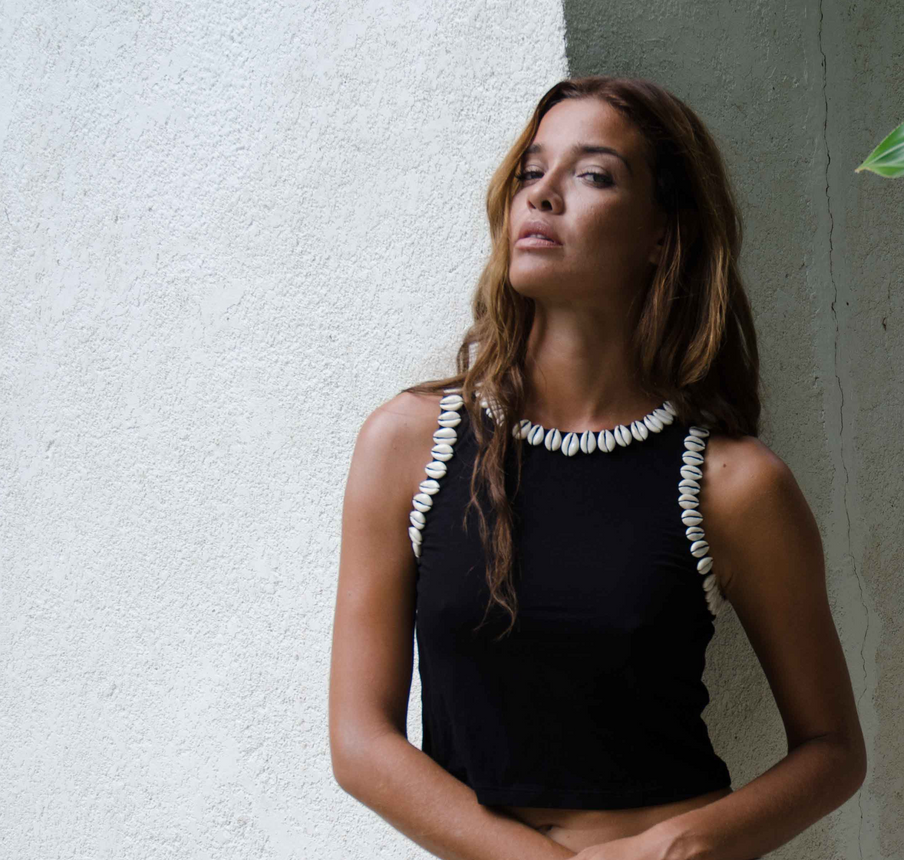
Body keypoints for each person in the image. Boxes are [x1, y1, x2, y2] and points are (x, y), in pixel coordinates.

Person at [328, 75, 866, 860]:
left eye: (592, 175)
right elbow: (359, 741)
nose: (542, 195)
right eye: (531, 171)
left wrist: (679, 848)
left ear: (660, 234)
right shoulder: (408, 442)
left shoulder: (732, 484)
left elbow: (832, 750)